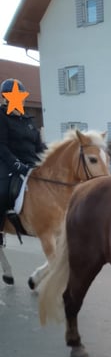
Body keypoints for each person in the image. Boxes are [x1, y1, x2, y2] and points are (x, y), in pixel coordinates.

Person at [0, 78, 46, 243]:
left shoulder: (28, 120)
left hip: (31, 164)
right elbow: (2, 146)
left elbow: (39, 147)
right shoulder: (2, 117)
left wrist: (50, 159)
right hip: (7, 164)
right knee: (2, 191)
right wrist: (17, 165)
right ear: (5, 98)